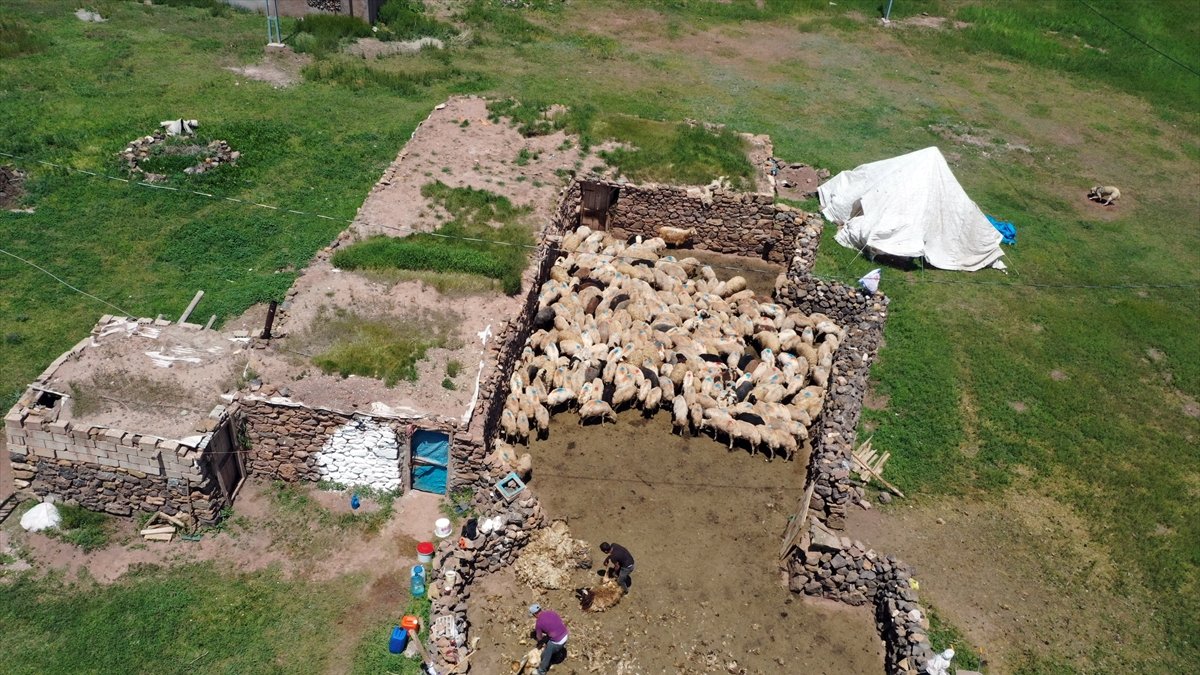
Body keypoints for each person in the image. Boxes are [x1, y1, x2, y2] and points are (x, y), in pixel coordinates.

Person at [529, 604, 568, 675]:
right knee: (550, 641)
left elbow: (539, 637)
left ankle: (541, 671)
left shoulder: (539, 623)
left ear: (534, 614)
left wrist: (540, 644)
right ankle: (557, 653)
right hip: (565, 634)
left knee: (546, 654)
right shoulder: (551, 612)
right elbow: (558, 622)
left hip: (558, 641)